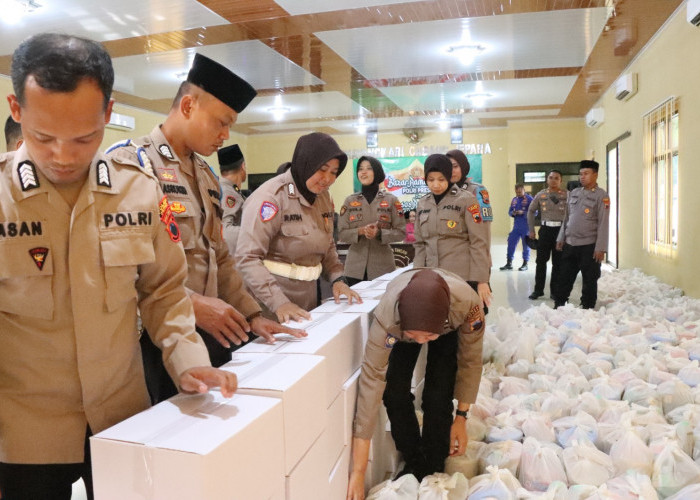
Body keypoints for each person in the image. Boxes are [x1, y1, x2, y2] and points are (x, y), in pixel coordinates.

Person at [0, 33, 237, 500]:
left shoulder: (140, 191)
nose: (64, 156)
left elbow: (164, 292)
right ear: (16, 109)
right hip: (23, 433)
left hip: (122, 417)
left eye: (86, 137)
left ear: (108, 114)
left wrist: (187, 360)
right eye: (44, 137)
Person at [106, 53, 304, 403]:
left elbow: (220, 257)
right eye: (221, 122)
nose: (225, 135)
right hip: (152, 341)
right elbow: (121, 270)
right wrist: (192, 305)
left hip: (209, 334)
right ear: (187, 106)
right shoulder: (130, 164)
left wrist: (253, 315)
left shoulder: (206, 175)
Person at [346, 269, 485, 499]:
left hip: (448, 323)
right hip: (403, 325)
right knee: (393, 390)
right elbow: (371, 382)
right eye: (416, 336)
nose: (421, 342)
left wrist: (461, 417)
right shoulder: (388, 318)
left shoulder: (468, 307)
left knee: (438, 395)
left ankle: (434, 463)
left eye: (427, 338)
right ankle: (413, 458)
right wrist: (358, 472)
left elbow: (471, 361)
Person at [235, 132, 362, 323]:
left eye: (334, 172)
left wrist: (338, 280)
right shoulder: (270, 198)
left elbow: (327, 245)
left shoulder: (323, 198)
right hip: (268, 304)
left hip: (308, 296)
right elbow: (248, 258)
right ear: (306, 163)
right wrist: (279, 303)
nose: (327, 178)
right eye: (322, 169)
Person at [412, 154, 491, 308]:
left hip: (461, 277)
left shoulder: (467, 200)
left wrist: (482, 280)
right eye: (431, 180)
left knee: (463, 323)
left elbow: (478, 241)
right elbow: (420, 244)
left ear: (449, 177)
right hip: (432, 277)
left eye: (441, 179)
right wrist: (417, 275)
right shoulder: (423, 203)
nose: (436, 184)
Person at [337, 155, 406, 285]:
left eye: (369, 168)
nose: (363, 172)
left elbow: (401, 232)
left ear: (377, 172)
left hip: (383, 267)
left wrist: (379, 233)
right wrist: (361, 231)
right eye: (360, 169)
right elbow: (341, 233)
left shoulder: (391, 200)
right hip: (354, 269)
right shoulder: (350, 201)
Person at [554, 160, 609, 309]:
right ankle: (560, 304)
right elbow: (567, 217)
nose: (582, 177)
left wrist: (601, 247)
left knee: (589, 279)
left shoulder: (601, 196)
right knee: (564, 276)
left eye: (586, 174)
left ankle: (587, 307)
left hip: (589, 245)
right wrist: (561, 237)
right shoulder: (575, 193)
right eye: (580, 174)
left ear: (595, 175)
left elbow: (604, 223)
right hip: (570, 244)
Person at [446, 148, 493, 309]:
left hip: (473, 260)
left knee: (475, 311)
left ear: (464, 167)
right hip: (449, 263)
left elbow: (484, 230)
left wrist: (485, 261)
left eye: (456, 166)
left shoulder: (476, 190)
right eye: (448, 166)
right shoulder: (442, 192)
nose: (452, 171)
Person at [526, 170, 567, 300]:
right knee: (541, 262)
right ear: (547, 180)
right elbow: (531, 211)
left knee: (558, 263)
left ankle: (555, 291)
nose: (553, 180)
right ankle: (538, 290)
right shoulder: (541, 195)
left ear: (561, 181)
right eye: (551, 177)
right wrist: (531, 229)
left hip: (560, 232)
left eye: (556, 178)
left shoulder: (567, 195)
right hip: (545, 231)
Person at [218, 143, 246, 256]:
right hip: (231, 260)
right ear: (243, 166)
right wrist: (256, 233)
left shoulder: (223, 188)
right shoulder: (229, 193)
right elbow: (225, 231)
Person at [500, 184, 533, 271]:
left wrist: (524, 213)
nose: (518, 194)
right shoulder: (514, 200)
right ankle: (509, 263)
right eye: (517, 192)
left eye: (520, 192)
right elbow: (510, 211)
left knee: (526, 245)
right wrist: (513, 213)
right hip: (516, 227)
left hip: (526, 227)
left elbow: (535, 212)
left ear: (524, 190)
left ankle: (525, 263)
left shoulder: (530, 199)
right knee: (511, 243)